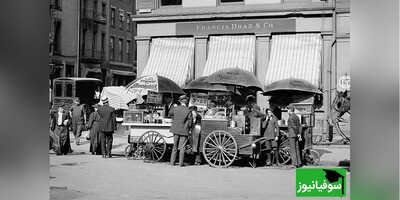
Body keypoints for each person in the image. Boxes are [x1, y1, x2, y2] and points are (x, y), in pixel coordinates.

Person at [169, 95, 193, 167]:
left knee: (175, 146)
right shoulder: (188, 110)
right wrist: (189, 127)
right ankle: (180, 163)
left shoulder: (175, 108)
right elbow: (190, 122)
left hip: (175, 129)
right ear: (186, 102)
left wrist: (174, 119)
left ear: (180, 101)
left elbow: (170, 114)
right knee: (182, 147)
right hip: (184, 130)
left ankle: (172, 162)